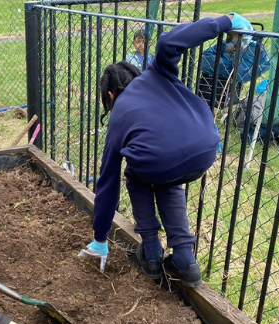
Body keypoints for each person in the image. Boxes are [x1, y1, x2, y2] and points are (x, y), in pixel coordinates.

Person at [79, 14, 246, 288]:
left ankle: (152, 253)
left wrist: (99, 239)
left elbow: (107, 182)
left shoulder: (119, 113)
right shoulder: (158, 73)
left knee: (137, 174)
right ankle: (184, 258)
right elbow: (169, 42)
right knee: (168, 181)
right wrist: (225, 22)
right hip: (205, 147)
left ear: (110, 95)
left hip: (162, 160)